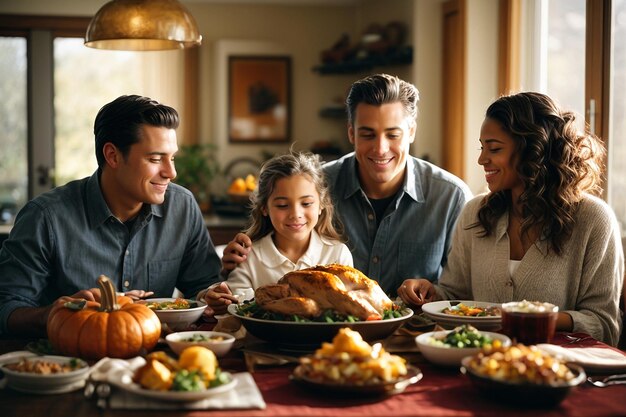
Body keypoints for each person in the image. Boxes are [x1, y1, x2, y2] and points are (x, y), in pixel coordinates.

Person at [222, 74, 472, 296]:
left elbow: (462, 290)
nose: (380, 148)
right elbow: (272, 236)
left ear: (411, 132)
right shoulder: (314, 186)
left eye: (393, 135)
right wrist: (236, 260)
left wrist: (434, 292)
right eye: (367, 134)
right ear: (351, 133)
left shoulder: (451, 197)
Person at [404, 92, 623, 346]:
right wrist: (430, 293)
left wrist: (537, 318)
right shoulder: (475, 213)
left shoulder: (594, 220)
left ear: (533, 151)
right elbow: (455, 295)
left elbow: (604, 325)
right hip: (481, 365)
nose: (481, 159)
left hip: (557, 373)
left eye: (494, 148)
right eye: (482, 147)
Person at [0, 95, 222, 337]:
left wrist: (212, 294)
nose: (171, 172)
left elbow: (202, 288)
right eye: (155, 159)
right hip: (69, 362)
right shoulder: (45, 218)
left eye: (172, 158)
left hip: (158, 360)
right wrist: (56, 313)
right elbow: (6, 308)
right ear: (113, 156)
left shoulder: (182, 207)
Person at [202, 151, 353, 316]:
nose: (296, 214)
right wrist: (219, 297)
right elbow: (236, 311)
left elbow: (346, 312)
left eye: (306, 203)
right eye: (282, 205)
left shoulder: (337, 254)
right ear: (264, 208)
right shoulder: (249, 258)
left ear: (321, 204)